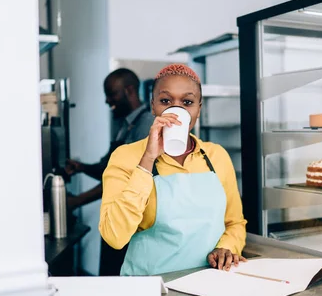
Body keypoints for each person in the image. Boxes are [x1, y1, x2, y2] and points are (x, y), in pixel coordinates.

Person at [99, 63, 247, 276]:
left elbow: (234, 223)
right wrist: (148, 160)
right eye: (165, 101)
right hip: (150, 290)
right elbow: (114, 236)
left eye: (187, 102)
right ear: (153, 107)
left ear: (198, 110)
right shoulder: (126, 157)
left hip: (208, 283)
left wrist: (227, 248)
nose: (176, 111)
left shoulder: (216, 156)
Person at [65, 68, 153, 276]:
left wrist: (77, 201)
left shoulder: (145, 125)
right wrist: (82, 168)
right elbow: (109, 171)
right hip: (114, 218)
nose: (107, 100)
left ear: (129, 90)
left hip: (132, 223)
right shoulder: (124, 126)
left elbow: (128, 178)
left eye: (112, 93)